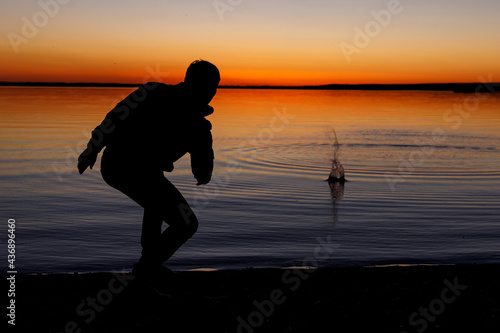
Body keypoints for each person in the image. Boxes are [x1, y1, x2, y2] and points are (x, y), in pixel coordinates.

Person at [77, 60, 220, 279]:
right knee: (186, 222)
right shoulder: (153, 93)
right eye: (208, 85)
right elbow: (114, 117)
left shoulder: (199, 128)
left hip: (144, 172)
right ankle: (148, 266)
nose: (211, 92)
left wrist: (204, 168)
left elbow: (202, 170)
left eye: (214, 86)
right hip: (119, 165)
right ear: (190, 82)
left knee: (156, 198)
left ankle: (149, 264)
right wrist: (92, 148)